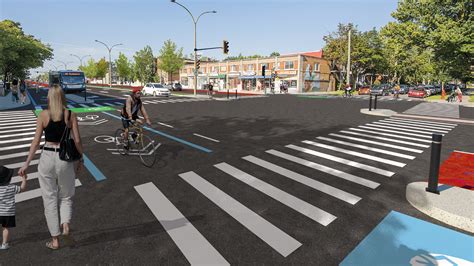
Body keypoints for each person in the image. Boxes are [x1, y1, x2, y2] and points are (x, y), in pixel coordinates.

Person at [18, 85, 84, 250]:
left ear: (49, 97)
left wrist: (27, 163)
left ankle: (55, 240)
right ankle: (66, 225)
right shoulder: (70, 114)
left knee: (49, 200)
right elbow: (76, 140)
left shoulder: (43, 115)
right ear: (62, 97)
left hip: (46, 157)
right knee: (66, 196)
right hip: (64, 159)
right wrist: (81, 158)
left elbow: (35, 141)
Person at [0, 166, 27, 250]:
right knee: (5, 228)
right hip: (8, 213)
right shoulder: (12, 187)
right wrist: (24, 179)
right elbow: (22, 188)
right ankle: (4, 244)